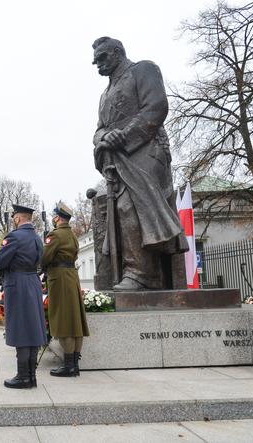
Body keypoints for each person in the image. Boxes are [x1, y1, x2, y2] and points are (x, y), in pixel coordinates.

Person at [92, 36, 187, 290]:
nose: (96, 64)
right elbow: (99, 130)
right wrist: (104, 138)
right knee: (119, 211)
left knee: (130, 206)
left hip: (146, 150)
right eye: (95, 60)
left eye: (101, 57)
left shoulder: (143, 69)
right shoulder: (104, 95)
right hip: (118, 159)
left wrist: (124, 135)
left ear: (117, 52)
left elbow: (156, 107)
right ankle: (133, 270)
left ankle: (143, 275)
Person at [0, 204, 47, 389]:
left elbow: (0, 260)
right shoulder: (36, 238)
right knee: (32, 328)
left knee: (21, 328)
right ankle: (31, 376)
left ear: (18, 218)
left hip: (17, 284)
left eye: (14, 218)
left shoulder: (14, 237)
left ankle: (23, 376)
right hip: (33, 283)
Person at [41, 202, 90, 377]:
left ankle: (68, 366)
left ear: (57, 217)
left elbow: (44, 257)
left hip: (59, 278)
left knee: (63, 321)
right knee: (75, 322)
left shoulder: (55, 235)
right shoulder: (72, 235)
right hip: (71, 277)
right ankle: (74, 364)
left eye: (53, 217)